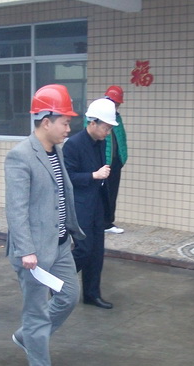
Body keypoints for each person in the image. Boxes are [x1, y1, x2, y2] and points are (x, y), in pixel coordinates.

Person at [5, 84, 85, 366]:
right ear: (46, 121)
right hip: (34, 253)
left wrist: (69, 232)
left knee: (69, 297)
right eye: (65, 121)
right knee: (36, 313)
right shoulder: (20, 156)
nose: (69, 128)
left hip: (60, 244)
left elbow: (61, 195)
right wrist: (26, 250)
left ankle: (28, 336)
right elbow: (16, 209)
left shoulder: (57, 151)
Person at [63, 98, 118, 310]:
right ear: (93, 123)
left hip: (97, 203)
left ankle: (92, 294)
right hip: (80, 205)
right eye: (106, 127)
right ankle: (58, 283)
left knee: (97, 252)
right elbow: (67, 177)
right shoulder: (73, 144)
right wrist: (93, 175)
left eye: (110, 128)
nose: (108, 132)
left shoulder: (101, 142)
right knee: (84, 250)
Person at [103, 86, 128, 234]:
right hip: (103, 163)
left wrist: (122, 157)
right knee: (103, 194)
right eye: (115, 103)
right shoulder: (97, 117)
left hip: (115, 161)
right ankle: (101, 222)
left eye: (118, 104)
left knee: (113, 192)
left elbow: (122, 138)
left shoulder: (117, 118)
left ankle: (108, 222)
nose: (116, 107)